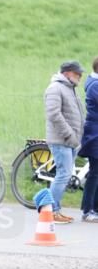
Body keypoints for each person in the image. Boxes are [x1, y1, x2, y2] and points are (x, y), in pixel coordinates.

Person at [44, 60, 86, 224]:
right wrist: (70, 135)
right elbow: (54, 115)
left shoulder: (70, 88)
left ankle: (56, 210)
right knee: (63, 175)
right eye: (78, 74)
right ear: (67, 73)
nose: (80, 77)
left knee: (64, 174)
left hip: (71, 140)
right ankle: (51, 212)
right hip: (62, 140)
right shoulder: (55, 88)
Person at [79, 57, 98, 223]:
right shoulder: (94, 85)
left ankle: (95, 209)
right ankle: (87, 210)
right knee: (95, 173)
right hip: (94, 134)